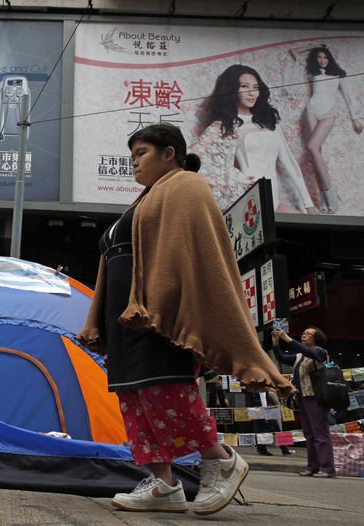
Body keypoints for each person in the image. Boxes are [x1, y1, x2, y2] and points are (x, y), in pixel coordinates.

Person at [76, 123, 294, 515]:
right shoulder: (143, 202)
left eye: (141, 154)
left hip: (160, 317)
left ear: (169, 153)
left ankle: (221, 460)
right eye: (131, 157)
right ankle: (163, 485)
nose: (134, 164)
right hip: (126, 321)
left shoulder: (186, 186)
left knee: (164, 393)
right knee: (134, 399)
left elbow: (194, 258)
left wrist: (163, 306)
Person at [191, 64, 319, 214]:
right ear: (232, 90)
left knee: (307, 230)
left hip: (273, 202)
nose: (252, 93)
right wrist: (224, 183)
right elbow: (192, 158)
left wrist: (308, 205)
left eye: (255, 87)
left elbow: (289, 163)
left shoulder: (270, 122)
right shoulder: (223, 126)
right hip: (248, 200)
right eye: (245, 87)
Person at [289, 45, 363, 213]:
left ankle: (331, 193)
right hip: (311, 111)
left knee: (312, 148)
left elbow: (349, 97)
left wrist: (355, 118)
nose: (322, 60)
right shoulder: (313, 72)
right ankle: (324, 200)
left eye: (325, 57)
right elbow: (294, 52)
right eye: (319, 57)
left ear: (330, 58)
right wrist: (314, 46)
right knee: (315, 154)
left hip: (329, 113)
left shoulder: (338, 74)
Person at [271, 325, 336, 477]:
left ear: (316, 338)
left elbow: (308, 351)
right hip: (303, 397)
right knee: (309, 434)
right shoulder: (300, 356)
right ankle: (312, 467)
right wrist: (275, 343)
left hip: (316, 397)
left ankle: (327, 468)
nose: (304, 335)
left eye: (309, 334)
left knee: (321, 434)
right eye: (304, 333)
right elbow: (282, 358)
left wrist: (286, 338)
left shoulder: (320, 352)